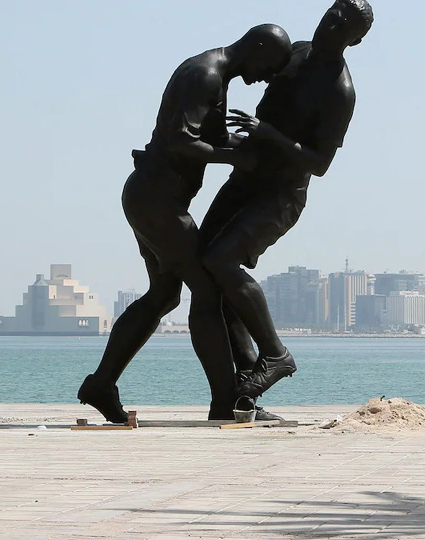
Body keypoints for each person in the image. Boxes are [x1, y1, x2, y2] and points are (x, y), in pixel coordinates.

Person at [77, 24, 292, 423]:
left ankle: (101, 385)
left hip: (150, 198)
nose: (268, 77)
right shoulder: (206, 75)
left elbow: (207, 137)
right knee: (208, 289)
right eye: (271, 66)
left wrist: (253, 144)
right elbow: (179, 139)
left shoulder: (217, 76)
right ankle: (225, 402)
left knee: (163, 295)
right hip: (158, 203)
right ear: (257, 47)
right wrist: (235, 159)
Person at [199, 0, 374, 399]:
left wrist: (269, 133)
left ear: (355, 41)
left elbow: (320, 163)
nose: (329, 26)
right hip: (245, 177)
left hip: (280, 195)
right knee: (207, 270)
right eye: (330, 15)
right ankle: (243, 387)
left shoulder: (339, 91)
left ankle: (275, 354)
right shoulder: (295, 50)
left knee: (221, 260)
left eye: (341, 26)